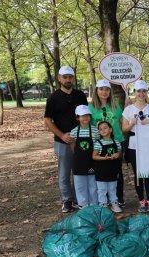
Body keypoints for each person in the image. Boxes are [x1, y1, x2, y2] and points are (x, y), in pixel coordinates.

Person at [44, 66, 88, 212]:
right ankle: (67, 200)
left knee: (79, 169)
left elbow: (86, 117)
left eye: (70, 77)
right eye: (65, 77)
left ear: (73, 78)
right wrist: (62, 135)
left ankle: (78, 198)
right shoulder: (53, 98)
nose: (68, 79)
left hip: (80, 139)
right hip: (62, 140)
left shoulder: (80, 96)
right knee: (64, 172)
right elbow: (48, 121)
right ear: (59, 78)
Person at [121, 80, 149, 212]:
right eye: (139, 91)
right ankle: (141, 201)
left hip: (148, 144)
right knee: (138, 173)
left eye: (144, 91)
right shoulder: (129, 109)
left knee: (148, 172)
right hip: (133, 145)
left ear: (146, 93)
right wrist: (131, 123)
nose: (141, 94)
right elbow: (124, 129)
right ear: (135, 92)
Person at [88, 79, 126, 207]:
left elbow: (122, 122)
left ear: (110, 91)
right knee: (102, 171)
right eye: (101, 89)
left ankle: (118, 198)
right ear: (96, 91)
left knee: (117, 171)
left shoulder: (115, 105)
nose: (104, 92)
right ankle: (103, 200)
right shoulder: (90, 107)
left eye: (107, 89)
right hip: (99, 144)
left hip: (116, 142)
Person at [69, 105, 99, 208]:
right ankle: (83, 205)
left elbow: (97, 146)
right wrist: (78, 156)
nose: (85, 118)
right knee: (80, 185)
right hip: (79, 162)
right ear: (77, 118)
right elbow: (72, 146)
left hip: (92, 161)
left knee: (93, 185)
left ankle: (94, 204)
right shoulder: (74, 132)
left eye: (87, 115)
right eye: (82, 116)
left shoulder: (95, 131)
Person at [92, 121, 122, 213]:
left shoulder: (116, 142)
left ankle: (114, 203)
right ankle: (103, 205)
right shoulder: (98, 143)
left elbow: (119, 152)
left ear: (110, 130)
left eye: (105, 128)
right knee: (102, 189)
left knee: (112, 188)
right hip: (101, 170)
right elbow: (94, 156)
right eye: (100, 129)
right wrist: (103, 158)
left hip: (112, 170)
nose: (103, 130)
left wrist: (117, 154)